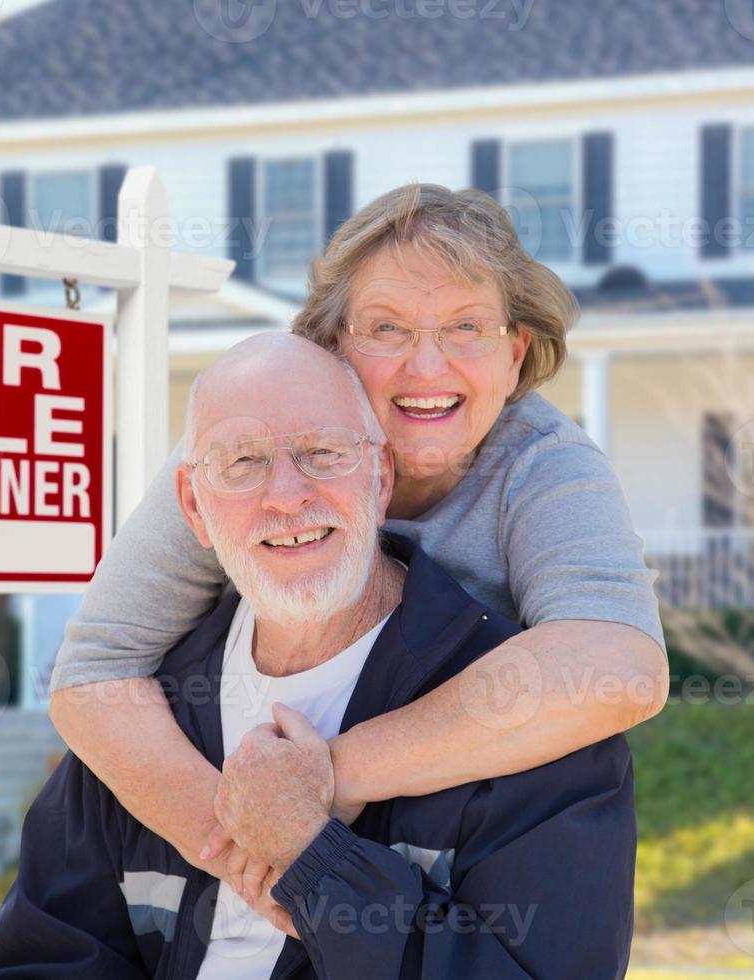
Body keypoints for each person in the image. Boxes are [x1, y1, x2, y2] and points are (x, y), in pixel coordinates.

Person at [47, 184, 666, 904]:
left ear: (514, 352)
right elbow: (93, 671)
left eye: (466, 327)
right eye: (386, 328)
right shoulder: (238, 449)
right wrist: (246, 852)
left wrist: (325, 777)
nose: (426, 368)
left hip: (455, 851)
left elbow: (617, 666)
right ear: (331, 346)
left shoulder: (542, 463)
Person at [0, 333, 636, 979]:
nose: (285, 495)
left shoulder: (530, 724)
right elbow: (40, 957)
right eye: (241, 462)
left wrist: (316, 865)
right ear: (192, 508)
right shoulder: (145, 722)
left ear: (379, 479)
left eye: (321, 452)